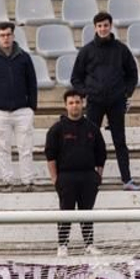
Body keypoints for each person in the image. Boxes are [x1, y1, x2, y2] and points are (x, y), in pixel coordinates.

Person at [70, 11, 140, 192]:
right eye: (99, 26)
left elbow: (132, 73)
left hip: (116, 102)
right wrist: (86, 93)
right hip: (94, 102)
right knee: (89, 140)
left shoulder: (121, 49)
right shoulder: (86, 51)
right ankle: (89, 178)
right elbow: (75, 78)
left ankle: (127, 179)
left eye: (106, 25)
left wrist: (126, 93)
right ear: (95, 28)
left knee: (120, 141)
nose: (103, 29)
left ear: (111, 26)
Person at [0, 21, 38, 188]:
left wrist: (32, 106)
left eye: (8, 34)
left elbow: (32, 82)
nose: (6, 38)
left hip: (22, 110)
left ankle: (28, 180)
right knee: (3, 149)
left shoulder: (24, 57)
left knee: (25, 148)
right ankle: (8, 181)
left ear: (13, 35)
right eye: (2, 35)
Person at [46, 90, 108, 256]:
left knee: (86, 212)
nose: (75, 106)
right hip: (66, 177)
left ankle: (89, 244)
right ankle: (62, 245)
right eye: (71, 103)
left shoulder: (92, 128)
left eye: (77, 102)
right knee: (66, 211)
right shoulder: (57, 129)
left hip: (88, 176)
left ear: (83, 104)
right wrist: (54, 178)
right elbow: (50, 155)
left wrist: (98, 175)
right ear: (66, 105)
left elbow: (101, 153)